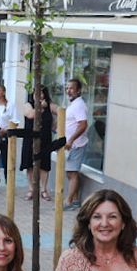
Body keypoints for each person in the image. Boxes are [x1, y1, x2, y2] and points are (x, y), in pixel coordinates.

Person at [15, 86, 55, 201]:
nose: (39, 96)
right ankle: (31, 189)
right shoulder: (28, 105)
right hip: (30, 138)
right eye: (36, 93)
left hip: (45, 139)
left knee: (44, 165)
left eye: (42, 93)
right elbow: (31, 115)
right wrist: (41, 108)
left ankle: (44, 189)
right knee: (29, 164)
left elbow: (61, 113)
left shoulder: (50, 105)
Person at [61, 78, 90, 209]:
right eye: (67, 88)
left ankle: (69, 201)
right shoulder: (74, 104)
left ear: (78, 91)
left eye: (72, 88)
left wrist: (71, 139)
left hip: (76, 145)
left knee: (72, 173)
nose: (68, 91)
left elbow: (83, 125)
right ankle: (76, 199)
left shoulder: (78, 105)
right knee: (71, 173)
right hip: (71, 144)